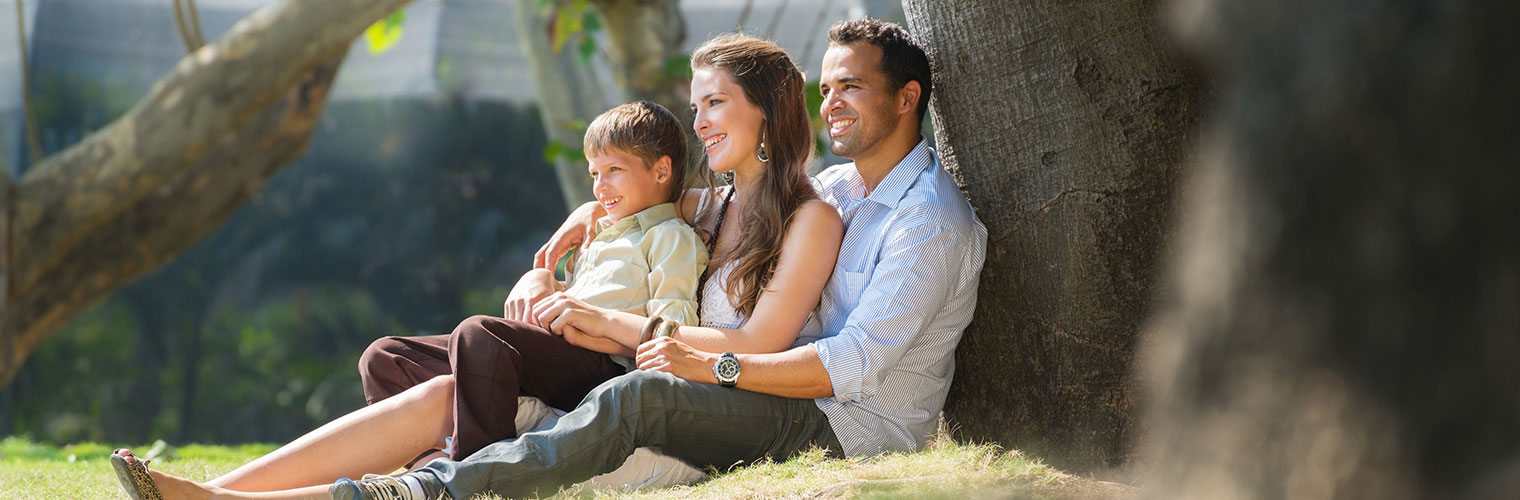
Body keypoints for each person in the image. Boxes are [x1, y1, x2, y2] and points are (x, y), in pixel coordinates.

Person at [108, 32, 844, 500]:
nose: (702, 120)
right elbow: (617, 202)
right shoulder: (706, 203)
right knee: (391, 358)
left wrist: (600, 320)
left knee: (476, 341)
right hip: (601, 345)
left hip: (666, 379)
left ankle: (462, 476)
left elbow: (759, 348)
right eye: (698, 105)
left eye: (716, 103)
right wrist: (543, 267)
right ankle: (208, 492)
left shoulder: (805, 218)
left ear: (769, 110)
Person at [328, 18, 987, 500]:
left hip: (846, 422)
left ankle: (435, 487)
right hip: (760, 383)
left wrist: (696, 359)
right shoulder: (841, 189)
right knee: (400, 357)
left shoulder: (926, 223)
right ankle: (390, 470)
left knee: (636, 393)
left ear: (907, 99)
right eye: (828, 86)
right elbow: (654, 196)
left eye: (853, 87)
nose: (833, 102)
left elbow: (848, 366)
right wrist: (570, 232)